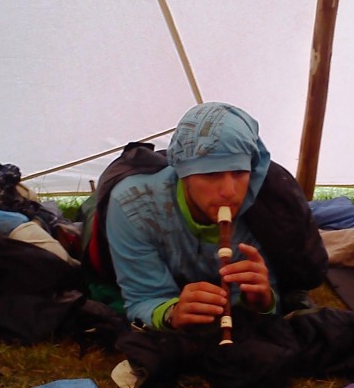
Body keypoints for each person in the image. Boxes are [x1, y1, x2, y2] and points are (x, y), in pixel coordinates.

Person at [104, 102, 282, 331]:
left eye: (239, 172)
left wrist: (262, 301)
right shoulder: (133, 207)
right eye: (211, 174)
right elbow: (142, 298)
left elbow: (269, 298)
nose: (229, 191)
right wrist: (171, 313)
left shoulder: (261, 204)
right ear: (183, 173)